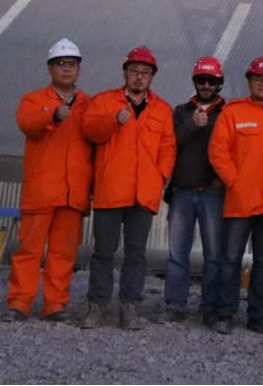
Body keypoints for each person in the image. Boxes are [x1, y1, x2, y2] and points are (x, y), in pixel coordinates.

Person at [79, 45, 176, 330]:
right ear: (125, 73)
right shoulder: (104, 101)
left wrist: (160, 176)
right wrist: (112, 120)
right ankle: (97, 306)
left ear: (152, 77)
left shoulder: (162, 109)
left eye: (145, 73)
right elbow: (89, 131)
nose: (139, 77)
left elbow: (168, 147)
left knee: (136, 255)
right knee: (103, 253)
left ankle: (130, 308)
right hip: (111, 190)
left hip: (143, 193)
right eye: (134, 71)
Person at [1, 38, 93, 322]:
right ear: (50, 68)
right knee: (29, 249)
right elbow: (26, 123)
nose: (67, 70)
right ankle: (20, 303)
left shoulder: (89, 104)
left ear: (79, 69)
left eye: (72, 65)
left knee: (63, 254)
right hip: (41, 191)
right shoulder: (34, 100)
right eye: (61, 64)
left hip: (72, 193)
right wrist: (51, 113)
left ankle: (55, 305)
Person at [208, 56, 263, 335]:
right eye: (257, 79)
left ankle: (259, 315)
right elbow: (218, 151)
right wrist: (235, 182)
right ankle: (224, 313)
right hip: (240, 201)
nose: (262, 84)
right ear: (249, 82)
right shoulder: (233, 112)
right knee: (230, 259)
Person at [165, 56, 229, 328]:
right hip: (182, 191)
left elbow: (233, 150)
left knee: (214, 254)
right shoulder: (180, 112)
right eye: (202, 80)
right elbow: (169, 145)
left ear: (219, 84)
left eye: (211, 81)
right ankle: (175, 305)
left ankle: (210, 306)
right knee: (177, 253)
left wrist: (222, 179)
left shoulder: (228, 113)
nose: (206, 85)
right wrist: (192, 125)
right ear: (194, 82)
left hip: (212, 192)